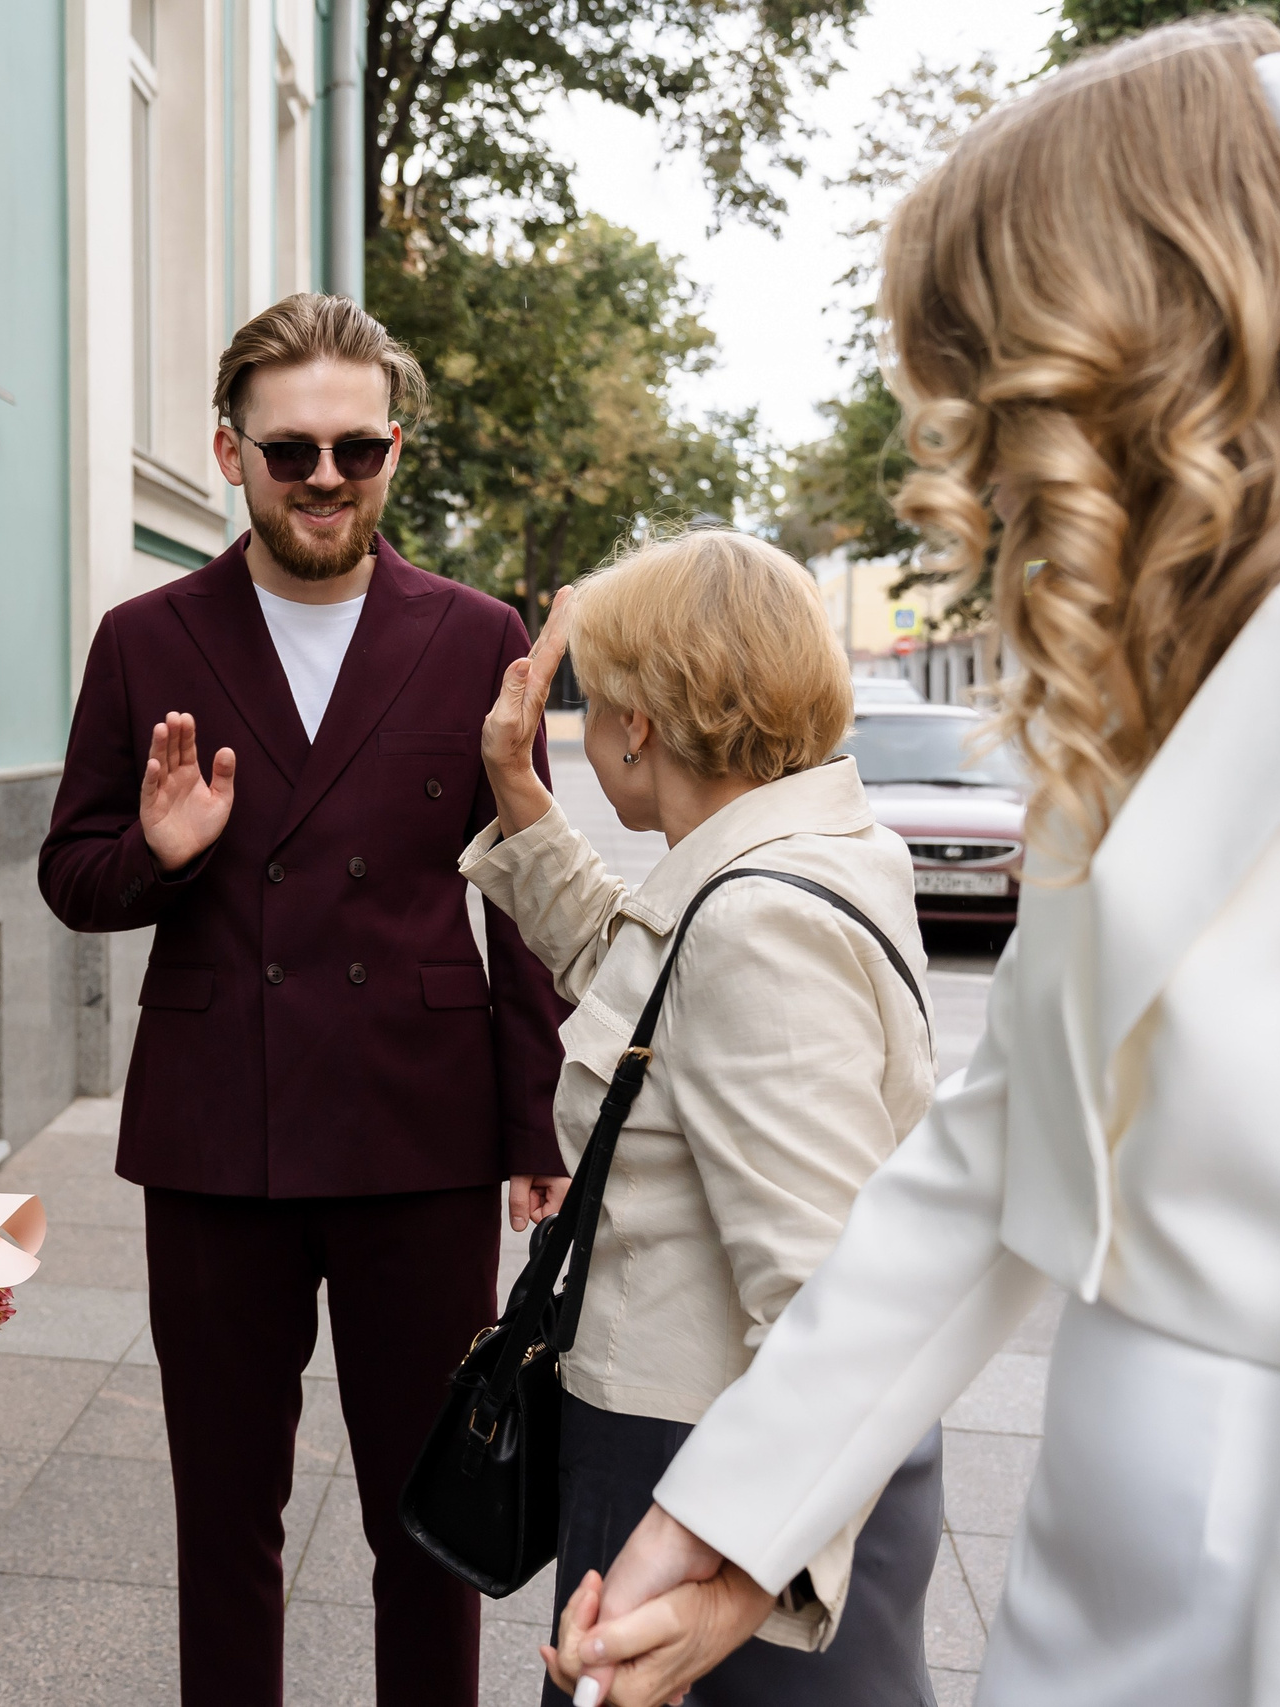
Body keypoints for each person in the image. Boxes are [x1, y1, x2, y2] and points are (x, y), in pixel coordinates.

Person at [545, 22, 1280, 1707]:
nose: (974, 458)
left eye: (996, 376)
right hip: (1100, 1601)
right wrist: (738, 1513)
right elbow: (996, 1152)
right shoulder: (1180, 672)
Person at [40, 292, 570, 1706]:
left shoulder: (473, 635)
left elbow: (518, 878)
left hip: (422, 1131)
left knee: (430, 1514)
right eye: (291, 452)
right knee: (224, 1515)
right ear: (230, 452)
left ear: (396, 451)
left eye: (357, 446)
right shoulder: (147, 636)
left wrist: (542, 1123)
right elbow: (71, 875)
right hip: (221, 1137)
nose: (326, 477)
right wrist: (154, 859)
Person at [464, 533, 938, 1706]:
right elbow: (655, 1007)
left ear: (638, 727)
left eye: (599, 697)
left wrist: (733, 1575)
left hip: (721, 1477)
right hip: (737, 1463)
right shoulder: (794, 857)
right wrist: (523, 798)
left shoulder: (755, 922)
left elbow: (821, 1291)